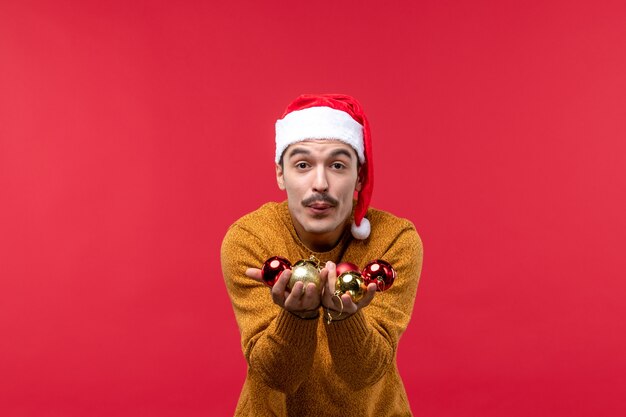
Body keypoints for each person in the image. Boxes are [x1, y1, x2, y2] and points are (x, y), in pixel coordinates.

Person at [221, 94, 423, 416]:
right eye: (302, 165)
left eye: (338, 165)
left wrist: (346, 317)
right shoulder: (250, 240)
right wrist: (297, 318)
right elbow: (277, 376)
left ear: (358, 176)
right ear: (280, 174)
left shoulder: (394, 241)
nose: (320, 183)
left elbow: (365, 372)